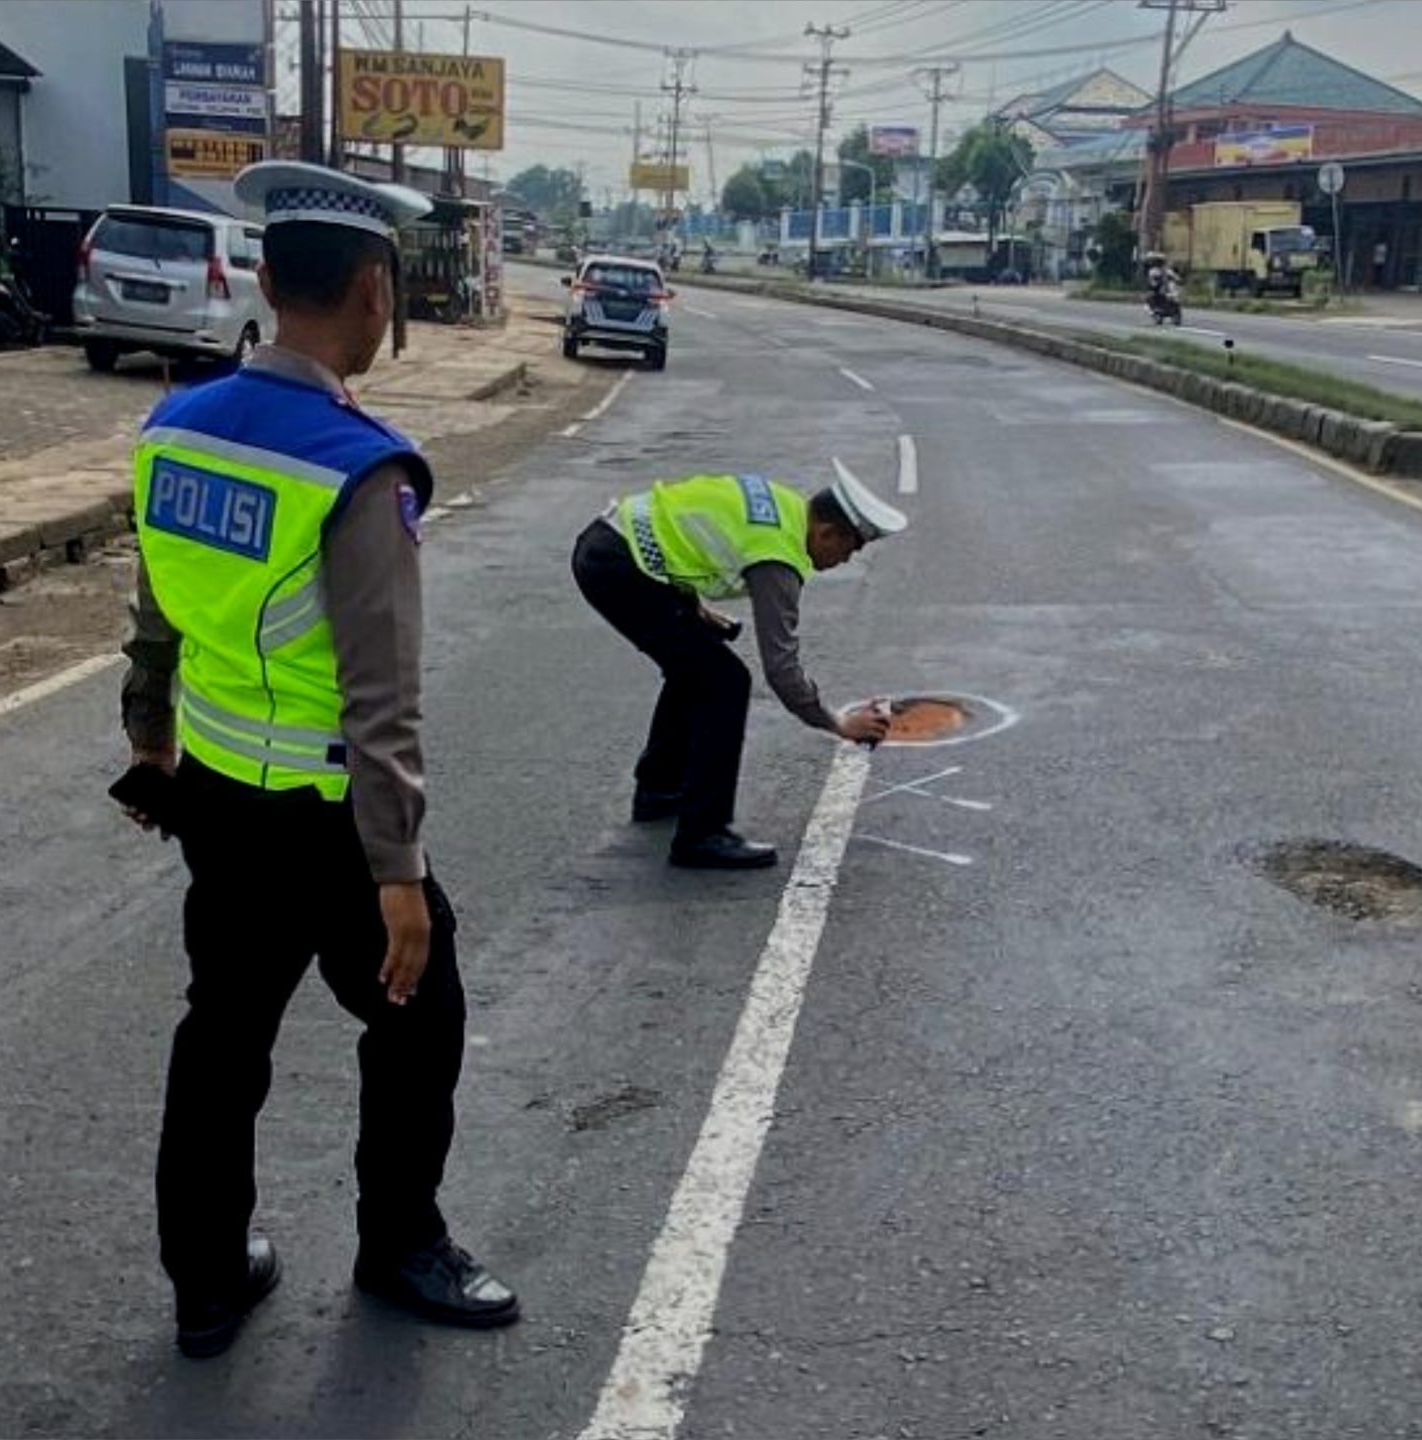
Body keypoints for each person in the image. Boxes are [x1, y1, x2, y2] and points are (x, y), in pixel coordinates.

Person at [121, 159, 519, 1360]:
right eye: (387, 287)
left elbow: (157, 610)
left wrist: (150, 737)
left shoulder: (173, 427)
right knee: (419, 1011)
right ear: (367, 288)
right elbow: (381, 689)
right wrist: (397, 873)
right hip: (329, 819)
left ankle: (204, 1281)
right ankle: (400, 1244)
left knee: (222, 1035)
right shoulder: (361, 465)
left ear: (260, 277)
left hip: (214, 799)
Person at [572, 468, 907, 869]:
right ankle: (702, 835)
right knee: (725, 681)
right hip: (620, 567)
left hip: (610, 542)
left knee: (698, 668)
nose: (845, 560)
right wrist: (837, 723)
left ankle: (659, 790)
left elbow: (687, 528)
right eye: (849, 549)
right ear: (827, 533)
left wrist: (693, 607)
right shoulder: (778, 557)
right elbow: (781, 669)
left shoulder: (785, 505)